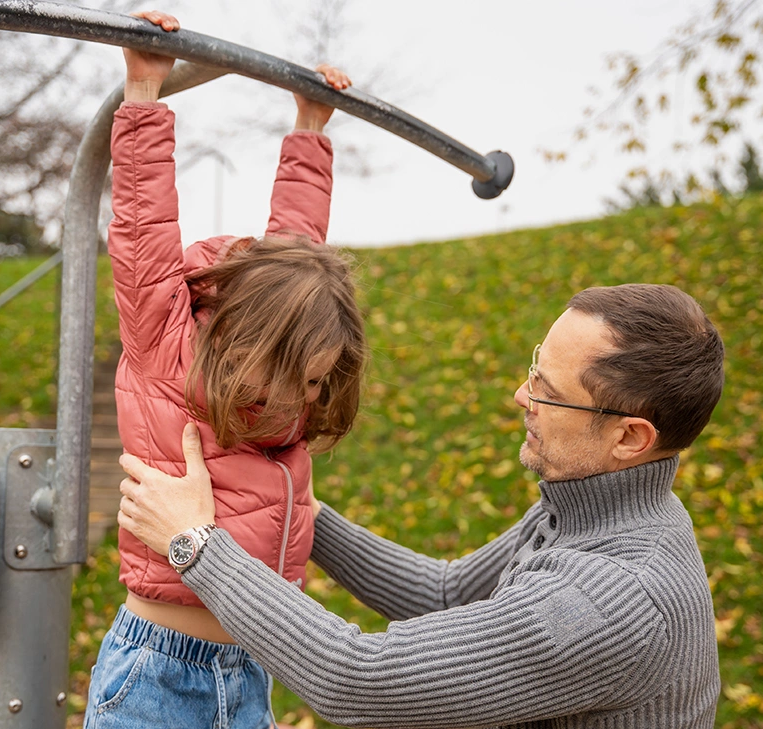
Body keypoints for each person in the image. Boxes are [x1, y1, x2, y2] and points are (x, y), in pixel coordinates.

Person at [118, 283, 727, 728]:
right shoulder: (594, 513)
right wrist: (297, 508)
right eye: (533, 371)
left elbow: (356, 680)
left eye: (549, 392)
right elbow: (448, 593)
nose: (521, 396)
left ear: (630, 438)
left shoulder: (606, 600)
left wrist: (197, 543)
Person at [85, 10, 365, 729]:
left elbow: (298, 250)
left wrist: (310, 130)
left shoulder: (290, 374)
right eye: (301, 376)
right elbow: (143, 230)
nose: (308, 397)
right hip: (157, 671)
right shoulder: (168, 348)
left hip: (250, 673)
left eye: (318, 382)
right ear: (253, 344)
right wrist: (144, 91)